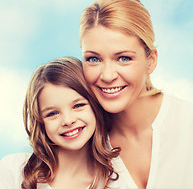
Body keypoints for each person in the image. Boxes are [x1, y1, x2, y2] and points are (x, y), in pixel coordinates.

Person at [79, 0, 193, 189]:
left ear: (151, 61)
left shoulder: (187, 121)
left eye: (123, 58)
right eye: (94, 59)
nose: (107, 75)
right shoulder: (79, 142)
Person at [0, 57, 127, 189]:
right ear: (40, 121)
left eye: (78, 105)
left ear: (95, 105)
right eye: (52, 113)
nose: (68, 121)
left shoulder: (117, 181)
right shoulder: (14, 170)